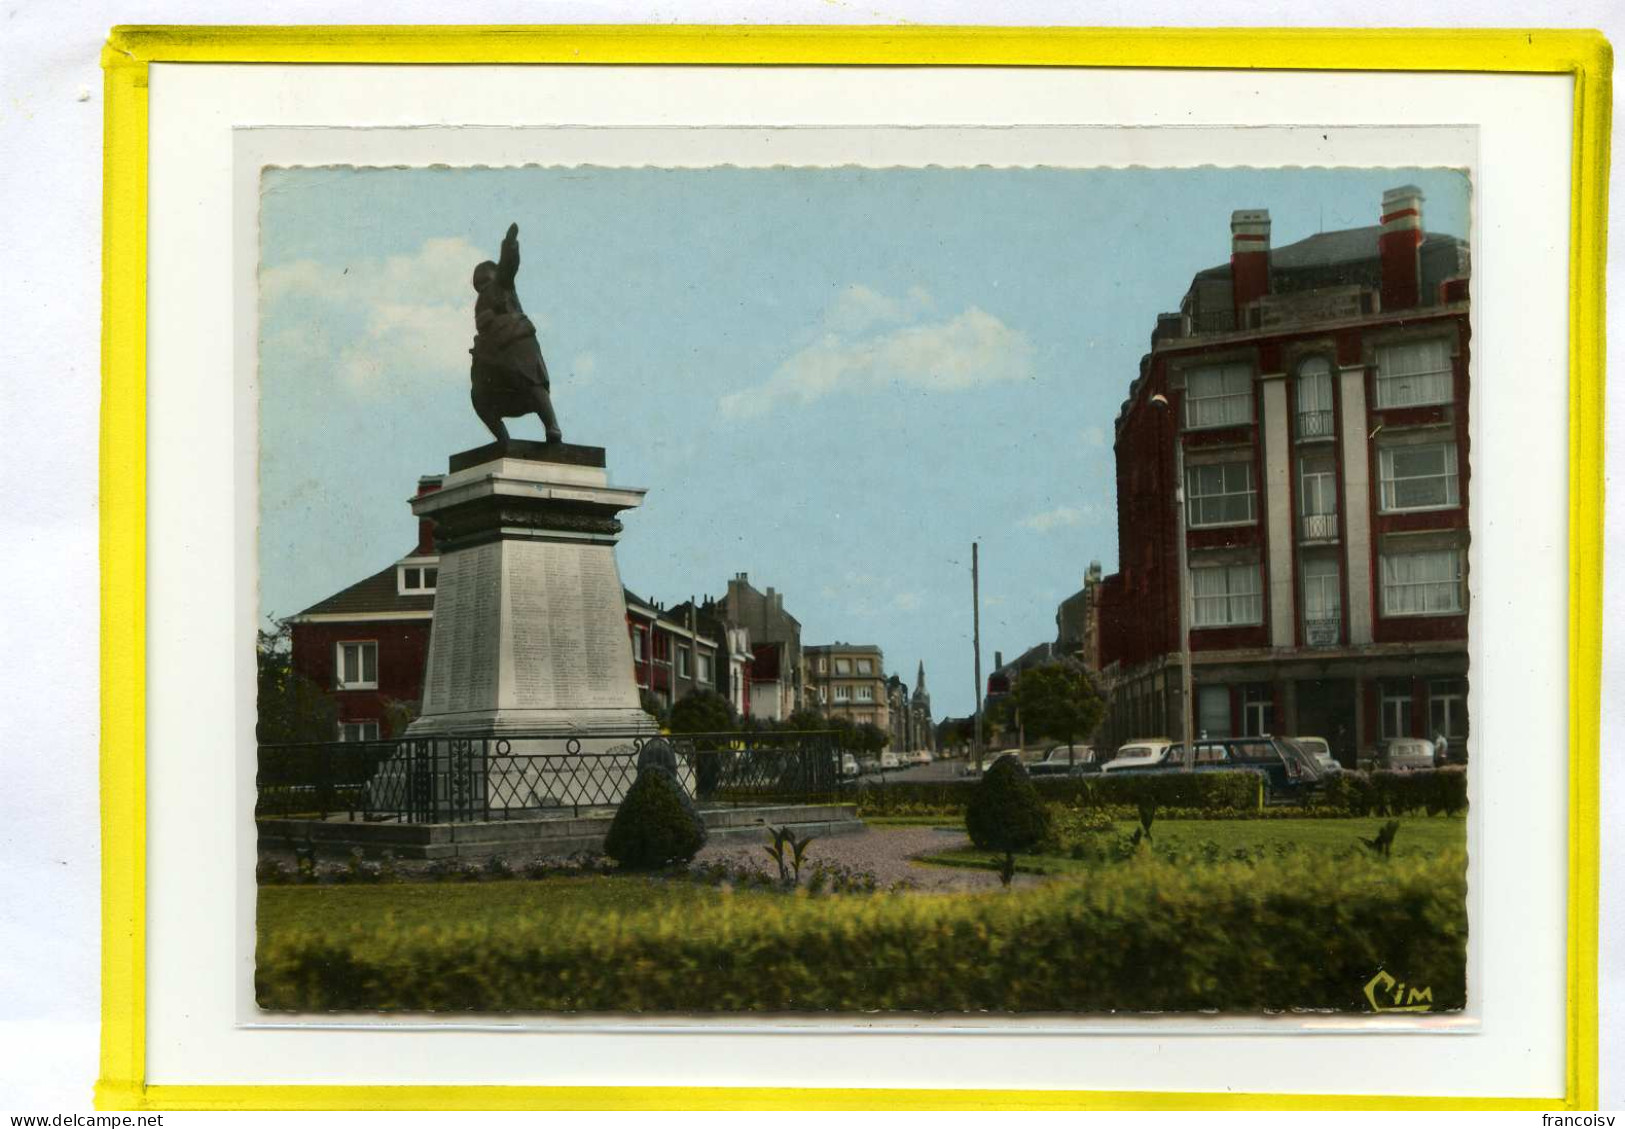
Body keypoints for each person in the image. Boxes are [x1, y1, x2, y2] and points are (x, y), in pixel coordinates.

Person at [469, 222, 562, 443]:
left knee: (530, 380)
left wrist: (509, 244)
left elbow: (508, 266)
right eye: (478, 282)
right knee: (479, 395)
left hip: (515, 340)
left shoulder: (501, 285)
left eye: (484, 278)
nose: (481, 284)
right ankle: (503, 440)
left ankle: (552, 427)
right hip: (491, 351)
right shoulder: (481, 300)